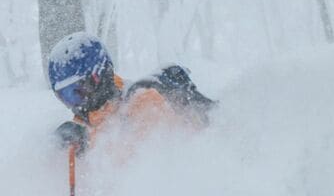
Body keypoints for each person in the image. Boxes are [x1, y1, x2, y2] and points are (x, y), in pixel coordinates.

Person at [48, 32, 215, 155]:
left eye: (80, 89)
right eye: (66, 96)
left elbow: (141, 158)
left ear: (101, 75)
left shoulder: (144, 100)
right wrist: (53, 147)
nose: (77, 103)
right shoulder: (87, 122)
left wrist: (88, 143)